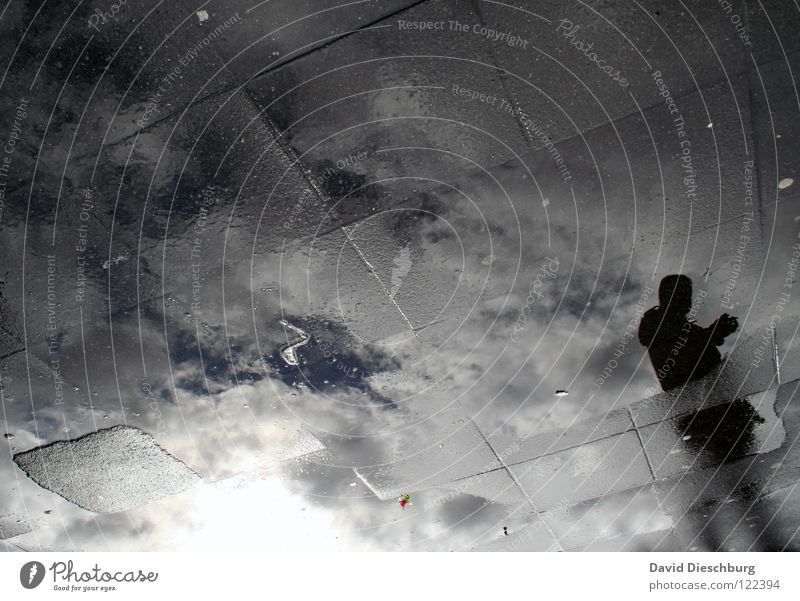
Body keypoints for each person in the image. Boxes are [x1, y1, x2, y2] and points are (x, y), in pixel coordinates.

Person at [638, 275, 738, 391]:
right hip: (700, 397)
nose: (686, 298)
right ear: (665, 296)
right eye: (680, 292)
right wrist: (714, 332)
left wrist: (715, 331)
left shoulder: (681, 325)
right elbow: (683, 349)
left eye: (688, 293)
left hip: (714, 391)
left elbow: (699, 340)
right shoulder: (655, 322)